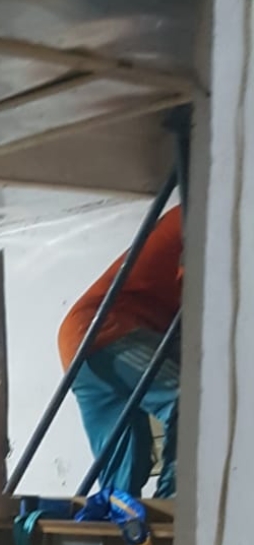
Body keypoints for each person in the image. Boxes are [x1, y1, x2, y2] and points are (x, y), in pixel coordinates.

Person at [58, 204, 183, 499]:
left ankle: (117, 521)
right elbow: (204, 306)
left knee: (124, 467)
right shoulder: (206, 214)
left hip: (79, 340)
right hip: (108, 329)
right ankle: (175, 500)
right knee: (189, 402)